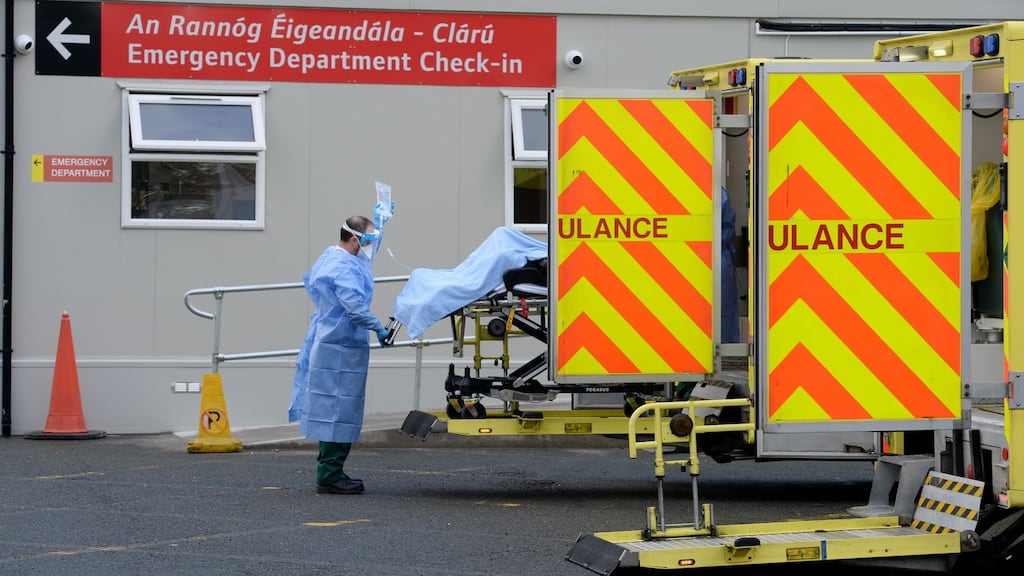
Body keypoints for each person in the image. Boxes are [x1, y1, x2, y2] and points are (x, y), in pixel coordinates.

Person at [289, 203, 394, 495]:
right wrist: (378, 328)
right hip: (339, 344)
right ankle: (330, 475)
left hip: (335, 339)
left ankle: (331, 471)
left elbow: (368, 249)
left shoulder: (337, 255)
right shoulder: (342, 268)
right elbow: (354, 307)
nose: (373, 246)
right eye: (370, 240)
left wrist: (381, 222)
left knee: (333, 407)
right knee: (338, 409)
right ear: (356, 240)